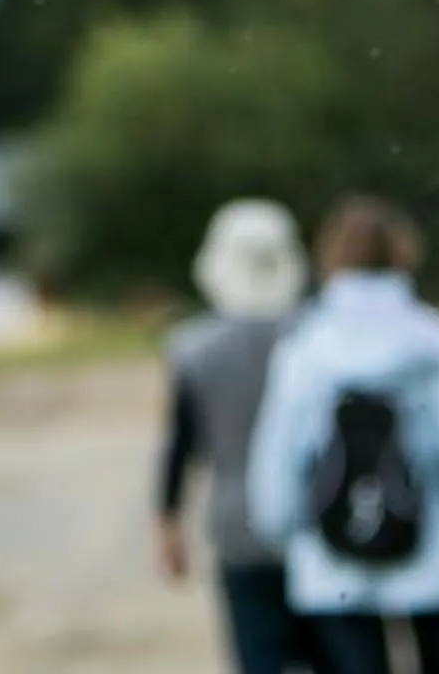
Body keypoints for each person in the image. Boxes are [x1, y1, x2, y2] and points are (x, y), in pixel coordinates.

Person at [248, 199, 439, 674]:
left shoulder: (307, 347)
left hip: (332, 558)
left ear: (330, 258)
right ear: (404, 255)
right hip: (429, 546)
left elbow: (280, 456)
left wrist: (280, 526)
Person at [157, 200, 314, 674]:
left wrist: (167, 520)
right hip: (312, 522)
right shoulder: (315, 335)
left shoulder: (192, 346)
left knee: (257, 657)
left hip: (236, 523)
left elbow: (181, 443)